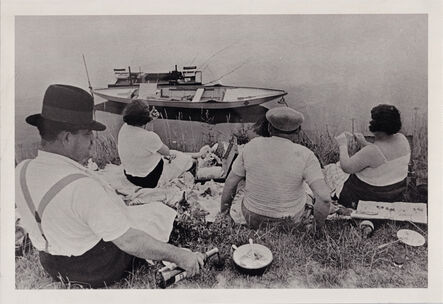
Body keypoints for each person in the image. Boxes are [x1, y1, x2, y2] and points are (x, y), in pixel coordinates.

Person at [15, 84, 204, 288]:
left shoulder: (22, 170)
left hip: (51, 263)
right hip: (93, 268)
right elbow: (128, 241)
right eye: (88, 134)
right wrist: (181, 256)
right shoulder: (82, 188)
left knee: (138, 213)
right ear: (67, 138)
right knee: (153, 215)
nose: (93, 141)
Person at [219, 107, 331, 230]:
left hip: (252, 218)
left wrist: (225, 214)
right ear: (298, 131)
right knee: (308, 195)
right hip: (289, 222)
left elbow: (230, 182)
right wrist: (317, 228)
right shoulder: (306, 155)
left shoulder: (251, 146)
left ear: (269, 128)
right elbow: (324, 198)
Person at [334, 104, 411, 210]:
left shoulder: (372, 151)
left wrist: (342, 144)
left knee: (334, 169)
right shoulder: (402, 139)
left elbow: (346, 167)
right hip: (394, 192)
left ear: (375, 125)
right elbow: (382, 156)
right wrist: (364, 142)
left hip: (369, 196)